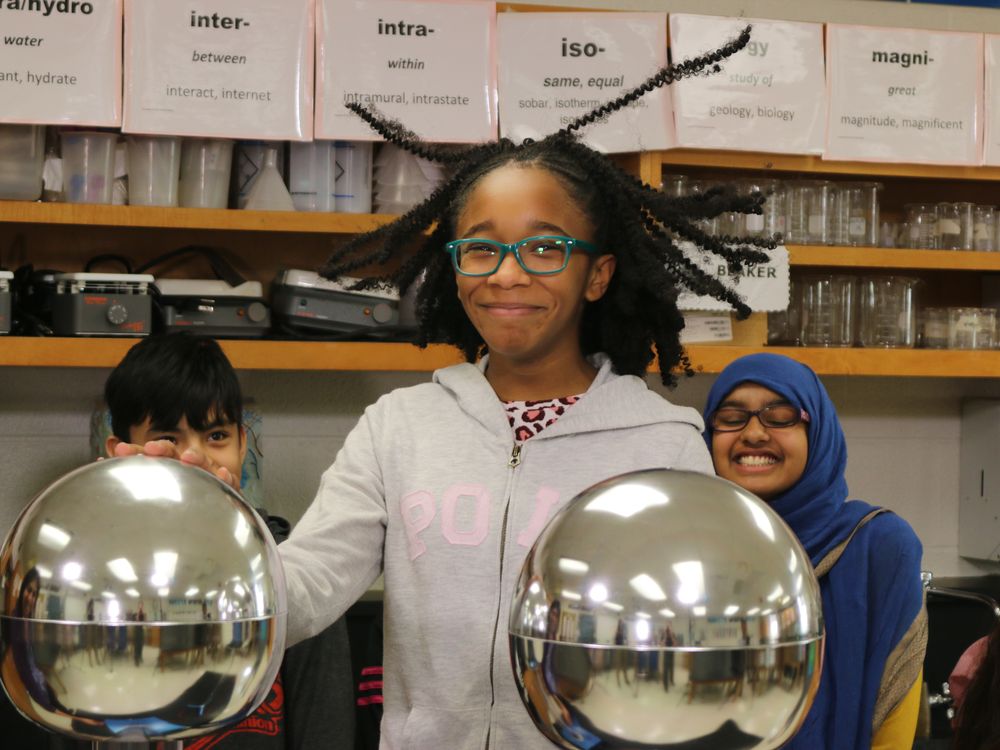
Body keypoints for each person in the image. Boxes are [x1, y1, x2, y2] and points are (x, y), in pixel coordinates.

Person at [121, 28, 776, 749]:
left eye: (545, 247)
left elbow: (697, 648)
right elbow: (301, 592)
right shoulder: (399, 427)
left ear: (599, 273)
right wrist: (186, 531)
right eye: (483, 247)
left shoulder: (663, 444)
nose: (506, 274)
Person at [0, 333, 356, 750]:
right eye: (168, 438)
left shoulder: (291, 572)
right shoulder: (76, 576)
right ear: (122, 450)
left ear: (244, 444)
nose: (195, 458)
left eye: (217, 436)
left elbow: (327, 731)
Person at [702, 353, 927, 749]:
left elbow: (895, 707)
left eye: (780, 415)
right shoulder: (686, 554)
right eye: (732, 417)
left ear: (816, 432)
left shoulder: (878, 547)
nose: (753, 434)